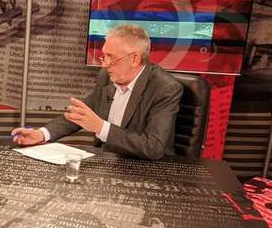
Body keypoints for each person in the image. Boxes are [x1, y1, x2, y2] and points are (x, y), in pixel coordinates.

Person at [12, 24, 183, 160]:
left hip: (146, 170)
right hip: (107, 163)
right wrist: (41, 134)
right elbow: (80, 116)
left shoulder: (165, 88)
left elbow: (153, 147)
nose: (104, 64)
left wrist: (101, 127)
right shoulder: (106, 76)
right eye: (104, 56)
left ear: (134, 59)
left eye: (111, 57)